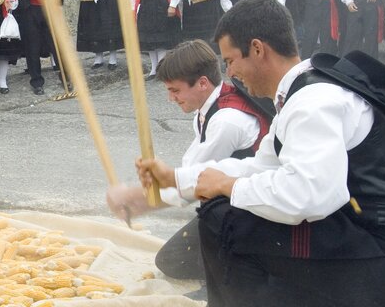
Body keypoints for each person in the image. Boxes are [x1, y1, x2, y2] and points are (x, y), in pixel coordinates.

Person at [130, 0, 385, 307]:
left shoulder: (313, 102)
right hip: (373, 236)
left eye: (231, 60)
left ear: (257, 49)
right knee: (228, 226)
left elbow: (311, 195)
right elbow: (263, 165)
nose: (231, 73)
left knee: (226, 224)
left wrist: (229, 187)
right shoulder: (302, 93)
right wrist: (178, 178)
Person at [106, 39, 270, 280]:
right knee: (173, 259)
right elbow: (190, 168)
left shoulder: (227, 122)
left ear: (203, 83)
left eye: (175, 90)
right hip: (230, 204)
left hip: (253, 213)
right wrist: (151, 189)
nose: (171, 98)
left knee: (177, 261)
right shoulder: (207, 109)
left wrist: (140, 199)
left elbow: (193, 185)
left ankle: (250, 268)